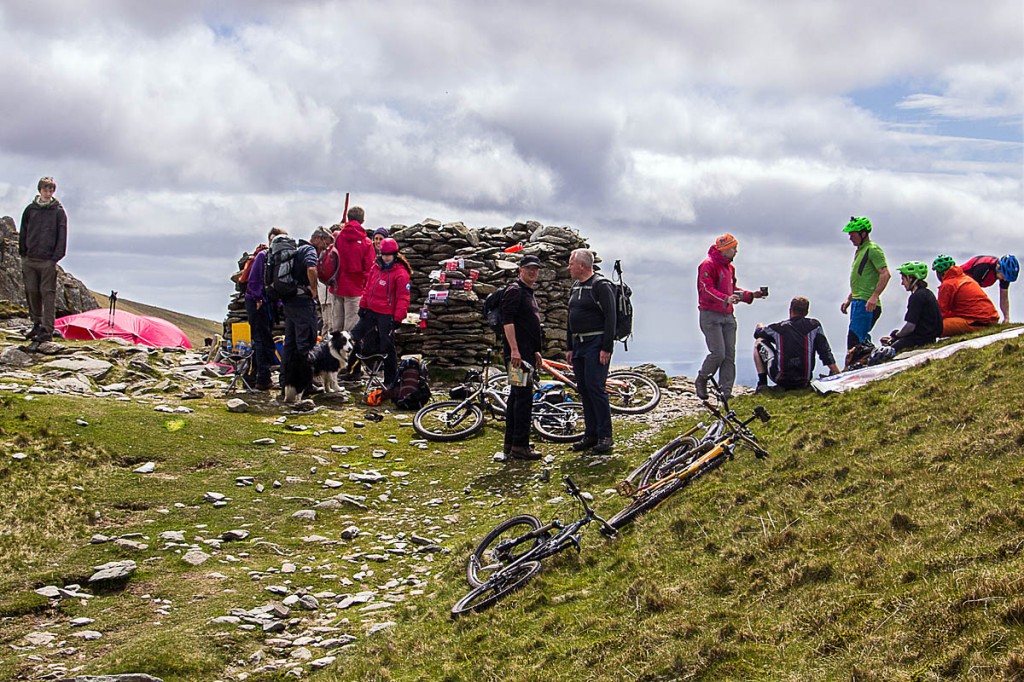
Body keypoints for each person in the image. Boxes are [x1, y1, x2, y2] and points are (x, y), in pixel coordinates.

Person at [695, 233, 766, 401]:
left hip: (728, 315)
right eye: (734, 248)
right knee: (718, 353)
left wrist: (751, 295)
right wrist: (726, 298)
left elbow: (732, 289)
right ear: (725, 249)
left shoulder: (729, 268)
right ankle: (702, 378)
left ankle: (725, 392)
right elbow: (707, 288)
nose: (736, 251)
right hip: (710, 315)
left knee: (729, 356)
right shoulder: (707, 265)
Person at [566, 248, 616, 454]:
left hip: (595, 343)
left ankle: (605, 435)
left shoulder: (601, 285)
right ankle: (591, 434)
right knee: (584, 389)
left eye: (571, 263)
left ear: (582, 266)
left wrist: (606, 347)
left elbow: (610, 317)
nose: (568, 267)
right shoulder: (576, 286)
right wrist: (569, 346)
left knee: (595, 388)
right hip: (578, 345)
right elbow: (570, 317)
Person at [500, 255, 544, 461]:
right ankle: (520, 446)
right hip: (517, 356)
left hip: (526, 353)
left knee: (516, 397)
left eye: (535, 269)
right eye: (529, 269)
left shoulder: (527, 292)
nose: (533, 272)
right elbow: (507, 321)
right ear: (520, 269)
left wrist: (535, 350)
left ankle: (511, 443)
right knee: (523, 398)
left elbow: (528, 325)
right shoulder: (515, 291)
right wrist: (514, 350)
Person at [352, 237, 411, 387]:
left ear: (395, 254)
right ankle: (352, 371)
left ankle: (390, 380)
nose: (386, 257)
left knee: (387, 346)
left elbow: (403, 297)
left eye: (389, 254)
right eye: (384, 254)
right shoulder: (375, 267)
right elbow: (368, 289)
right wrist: (363, 306)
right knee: (354, 336)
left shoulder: (401, 273)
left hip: (386, 315)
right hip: (370, 311)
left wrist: (398, 318)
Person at [752, 296, 840, 393]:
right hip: (804, 380)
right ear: (806, 312)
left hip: (781, 379)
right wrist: (837, 373)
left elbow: (757, 334)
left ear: (790, 310)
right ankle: (834, 371)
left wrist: (759, 327)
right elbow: (825, 351)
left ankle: (762, 384)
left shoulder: (779, 328)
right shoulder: (814, 326)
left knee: (759, 342)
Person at [19, 176, 68, 348]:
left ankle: (47, 330)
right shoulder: (30, 209)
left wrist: (55, 258)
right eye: (45, 190)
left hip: (47, 260)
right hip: (30, 259)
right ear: (39, 190)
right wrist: (23, 253)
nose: (48, 193)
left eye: (51, 190)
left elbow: (62, 236)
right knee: (32, 291)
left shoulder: (58, 212)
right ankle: (36, 325)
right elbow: (23, 230)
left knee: (48, 294)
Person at [277, 229, 320, 402]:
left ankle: (285, 384)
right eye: (325, 243)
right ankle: (304, 386)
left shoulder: (294, 252)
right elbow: (311, 268)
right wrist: (314, 289)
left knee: (290, 345)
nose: (325, 248)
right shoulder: (309, 250)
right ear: (318, 239)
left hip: (290, 303)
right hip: (303, 304)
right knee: (305, 345)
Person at [244, 227, 285, 390]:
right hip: (259, 304)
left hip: (265, 304)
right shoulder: (263, 256)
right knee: (261, 340)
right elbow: (254, 280)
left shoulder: (275, 257)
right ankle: (261, 379)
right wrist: (258, 298)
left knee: (263, 340)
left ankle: (254, 377)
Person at [840, 216, 891, 350]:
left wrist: (874, 296)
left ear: (863, 233)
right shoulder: (860, 251)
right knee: (858, 340)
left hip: (866, 302)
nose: (850, 237)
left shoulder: (872, 249)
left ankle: (857, 367)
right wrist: (849, 299)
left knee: (855, 341)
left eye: (852, 234)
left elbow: (885, 274)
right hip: (857, 301)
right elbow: (861, 279)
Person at [878, 261, 942, 352]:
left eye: (903, 279)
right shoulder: (927, 293)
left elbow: (910, 327)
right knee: (894, 333)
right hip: (929, 336)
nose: (902, 283)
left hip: (920, 339)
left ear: (911, 278)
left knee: (888, 349)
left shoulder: (916, 297)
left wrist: (896, 336)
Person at [330, 207, 376, 332]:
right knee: (351, 328)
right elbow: (370, 270)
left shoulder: (337, 238)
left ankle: (333, 351)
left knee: (336, 326)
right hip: (355, 288)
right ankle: (349, 351)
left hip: (336, 286)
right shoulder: (366, 243)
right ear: (363, 220)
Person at [932, 254, 999, 337]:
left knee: (935, 327)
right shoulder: (964, 278)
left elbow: (941, 313)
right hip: (989, 319)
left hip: (977, 322)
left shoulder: (948, 284)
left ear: (939, 273)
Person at [961, 254, 1018, 323]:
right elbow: (974, 294)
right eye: (1004, 277)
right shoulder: (984, 267)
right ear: (998, 267)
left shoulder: (1003, 275)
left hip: (971, 285)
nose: (1005, 280)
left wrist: (1006, 318)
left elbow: (1004, 297)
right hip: (962, 282)